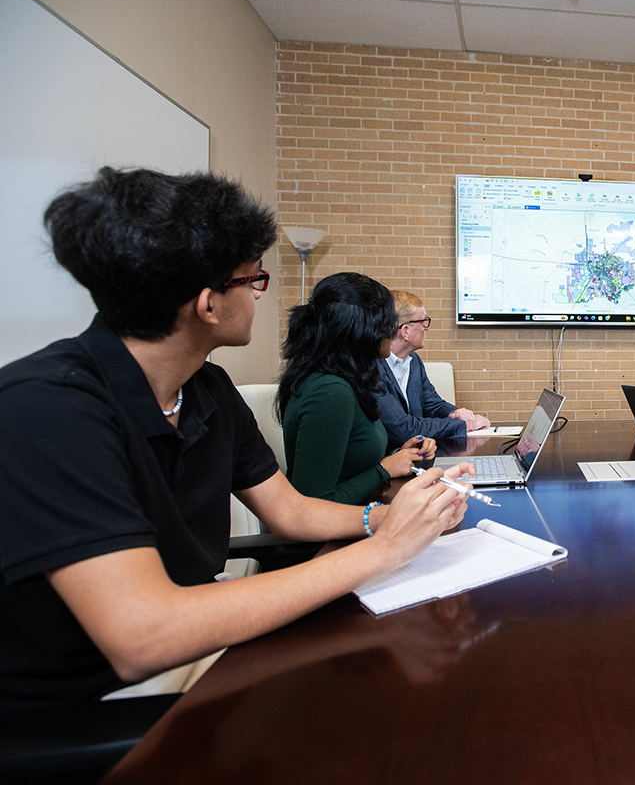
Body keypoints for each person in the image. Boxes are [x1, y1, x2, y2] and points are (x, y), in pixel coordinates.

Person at [0, 168, 473, 713]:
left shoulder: (206, 388)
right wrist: (385, 550)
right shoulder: (45, 407)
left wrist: (388, 519)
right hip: (87, 703)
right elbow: (141, 636)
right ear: (208, 304)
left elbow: (289, 510)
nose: (258, 295)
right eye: (253, 281)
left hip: (201, 646)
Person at [279, 273, 436, 505]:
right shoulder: (330, 393)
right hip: (333, 537)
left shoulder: (346, 382)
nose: (393, 330)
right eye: (387, 321)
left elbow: (350, 467)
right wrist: (383, 470)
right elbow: (312, 505)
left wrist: (399, 455)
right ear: (364, 329)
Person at [375, 289, 489, 446]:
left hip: (418, 453)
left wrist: (455, 414)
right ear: (405, 331)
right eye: (422, 322)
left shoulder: (413, 360)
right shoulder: (372, 368)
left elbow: (432, 403)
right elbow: (403, 429)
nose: (426, 328)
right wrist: (463, 425)